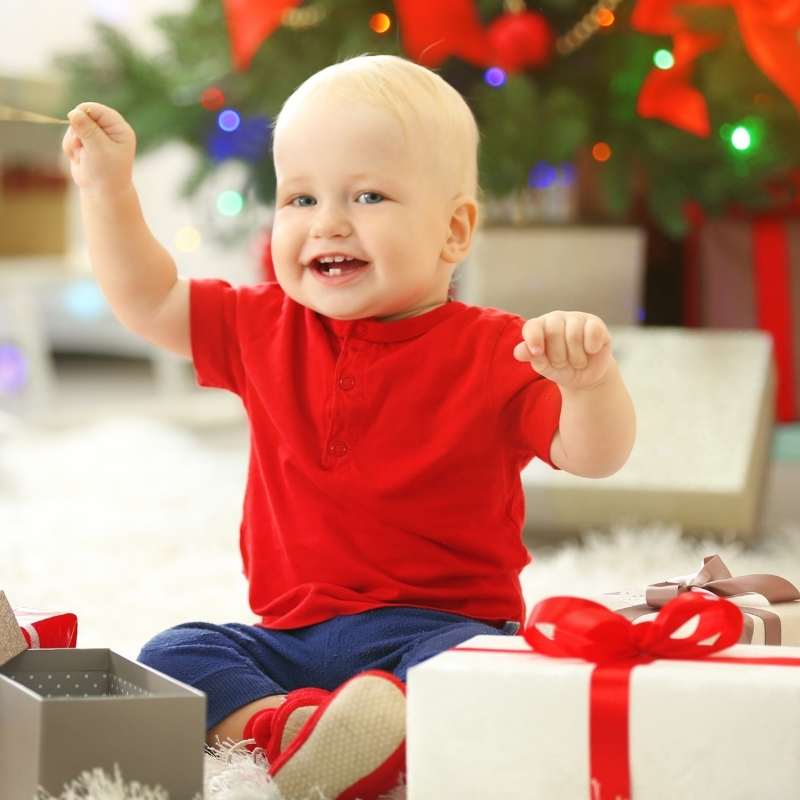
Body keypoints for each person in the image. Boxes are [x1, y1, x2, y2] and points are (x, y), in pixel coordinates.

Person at [63, 54, 636, 800]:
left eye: (368, 195)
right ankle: (291, 731)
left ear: (454, 230)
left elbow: (595, 455)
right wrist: (108, 191)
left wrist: (590, 385)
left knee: (493, 672)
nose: (327, 222)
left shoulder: (498, 348)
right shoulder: (262, 325)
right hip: (291, 639)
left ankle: (375, 731)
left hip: (437, 631)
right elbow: (149, 298)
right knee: (173, 652)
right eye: (299, 198)